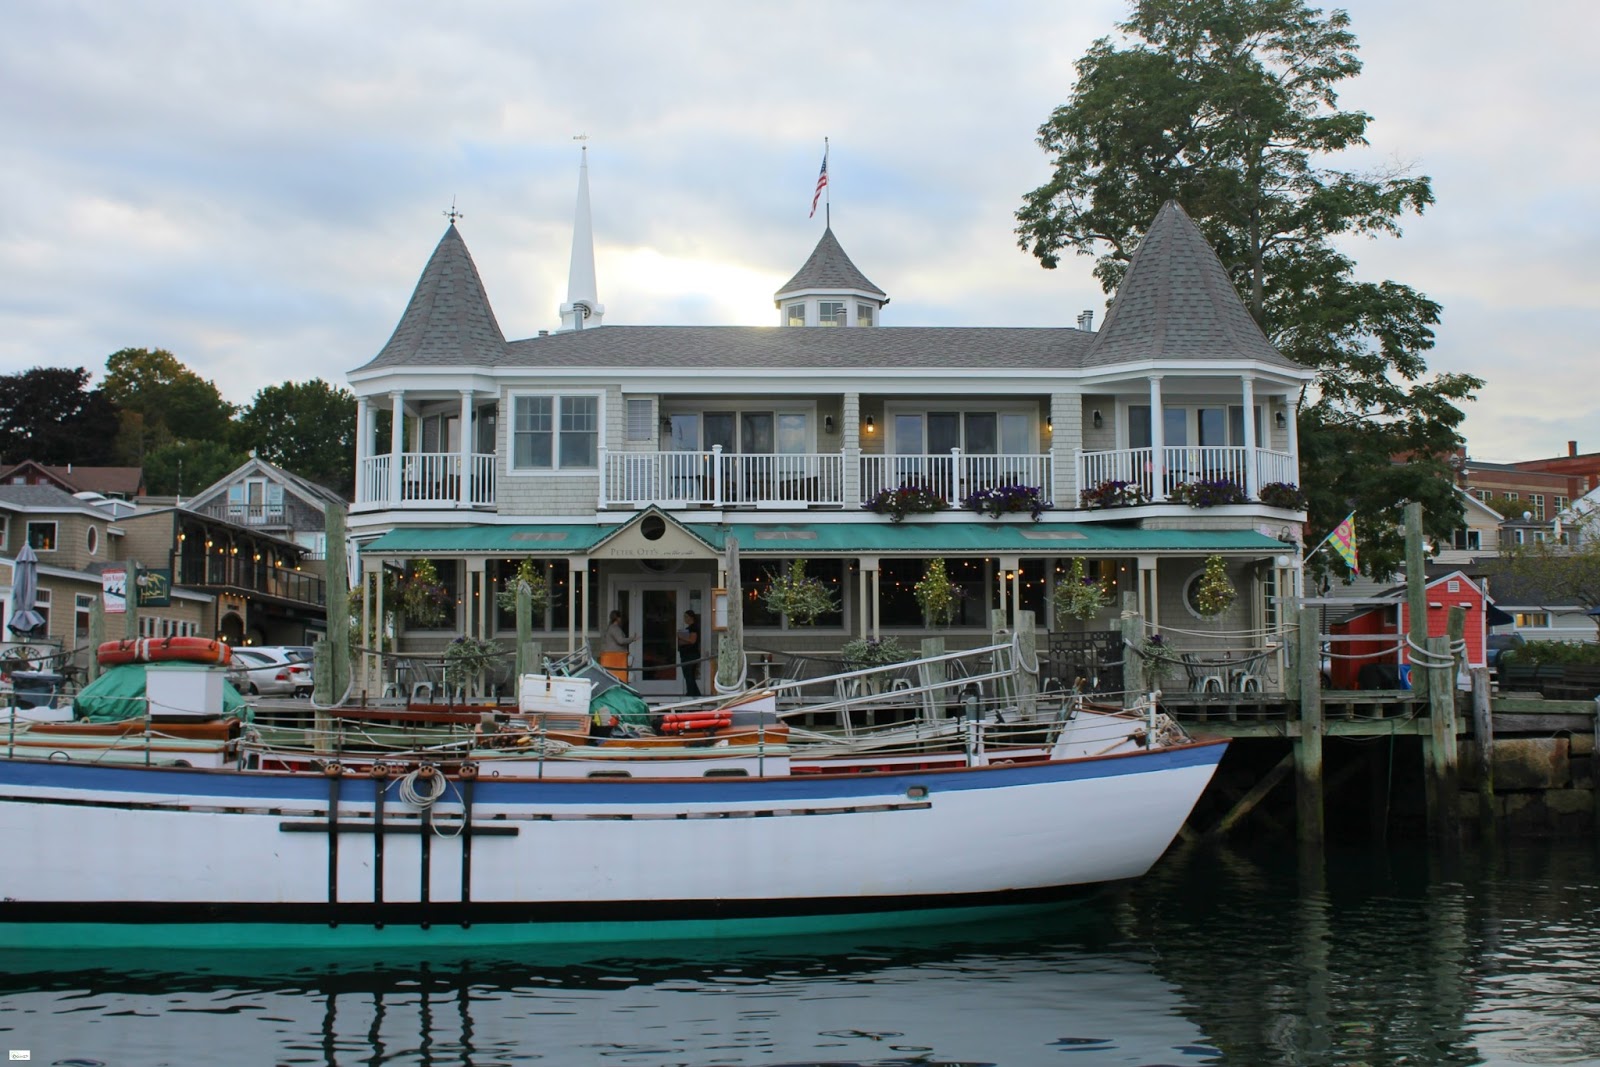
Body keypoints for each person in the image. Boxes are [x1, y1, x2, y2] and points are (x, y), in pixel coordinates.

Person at [677, 609, 701, 696]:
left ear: (691, 617)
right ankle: (695, 693)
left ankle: (691, 693)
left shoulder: (693, 628)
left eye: (686, 617)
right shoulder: (688, 628)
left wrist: (681, 637)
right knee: (688, 675)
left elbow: (692, 640)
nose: (685, 619)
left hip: (691, 655)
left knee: (689, 675)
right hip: (685, 654)